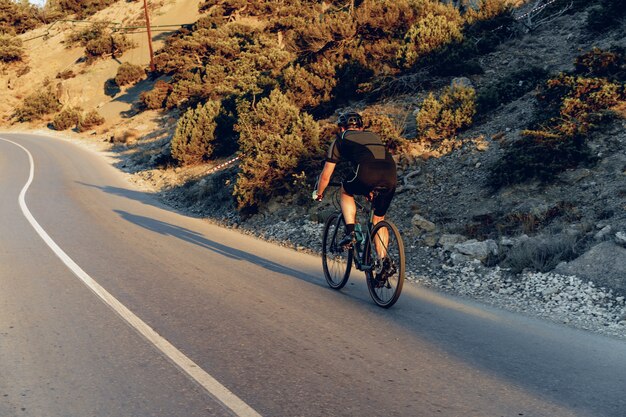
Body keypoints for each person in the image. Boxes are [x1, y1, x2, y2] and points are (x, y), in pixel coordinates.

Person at [313, 111, 397, 273]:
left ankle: (351, 233)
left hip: (367, 172)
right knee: (379, 219)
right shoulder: (373, 136)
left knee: (345, 189)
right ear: (362, 127)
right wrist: (369, 187)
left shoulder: (340, 140)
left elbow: (326, 175)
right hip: (390, 174)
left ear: (342, 128)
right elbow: (373, 159)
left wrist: (319, 193)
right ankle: (382, 263)